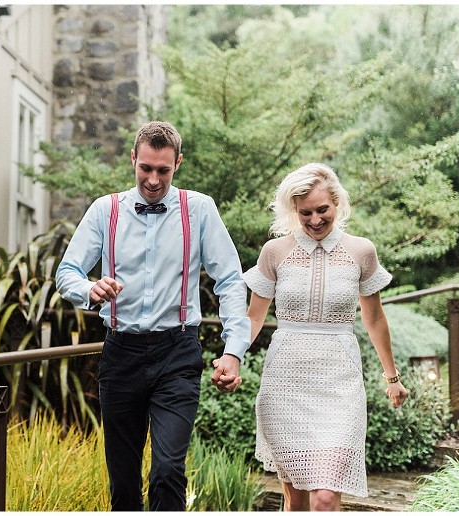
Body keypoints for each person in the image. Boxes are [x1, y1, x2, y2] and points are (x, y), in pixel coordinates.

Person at [56, 121, 251, 511]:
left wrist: (234, 350)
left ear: (177, 163)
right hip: (121, 353)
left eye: (163, 170)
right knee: (123, 482)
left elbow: (229, 279)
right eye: (146, 168)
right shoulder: (105, 210)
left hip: (176, 353)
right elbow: (67, 273)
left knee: (166, 471)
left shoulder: (198, 210)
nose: (153, 179)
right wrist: (89, 290)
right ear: (133, 159)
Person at [215, 163, 409, 511]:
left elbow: (375, 317)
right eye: (306, 212)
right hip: (285, 381)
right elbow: (253, 318)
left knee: (325, 496)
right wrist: (232, 357)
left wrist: (391, 377)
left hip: (339, 382)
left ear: (337, 203)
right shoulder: (274, 252)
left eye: (323, 210)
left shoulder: (361, 251)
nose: (315, 219)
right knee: (297, 500)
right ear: (293, 210)